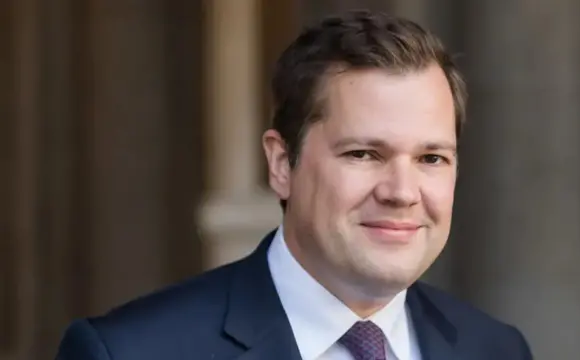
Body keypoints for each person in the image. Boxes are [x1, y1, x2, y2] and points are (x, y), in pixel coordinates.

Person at [56, 9, 533, 360]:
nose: (402, 191)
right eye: (364, 154)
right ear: (282, 163)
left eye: (431, 157)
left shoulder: (496, 349)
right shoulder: (128, 353)